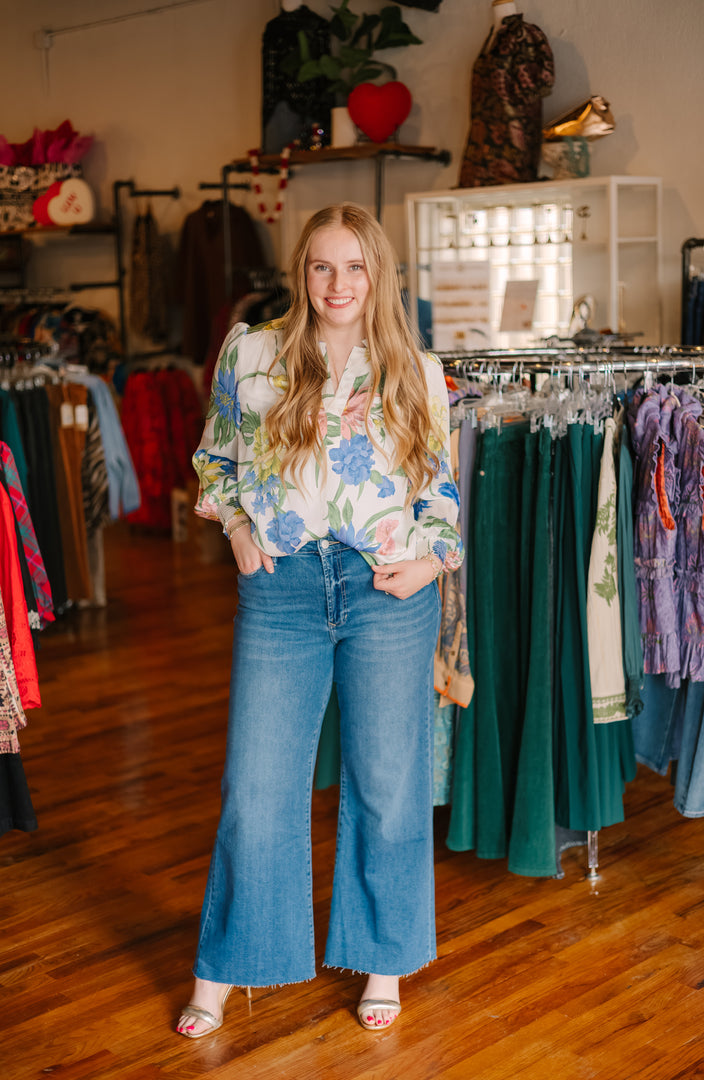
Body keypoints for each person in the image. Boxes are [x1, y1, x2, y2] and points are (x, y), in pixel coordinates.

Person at [176, 202, 463, 1039]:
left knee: (387, 784)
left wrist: (431, 560)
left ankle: (383, 961)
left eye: (354, 267)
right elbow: (216, 456)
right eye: (321, 267)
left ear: (379, 273)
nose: (337, 284)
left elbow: (439, 486)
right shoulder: (253, 350)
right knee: (256, 788)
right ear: (301, 273)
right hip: (283, 588)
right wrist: (233, 529)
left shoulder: (415, 364)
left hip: (387, 591)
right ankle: (226, 968)